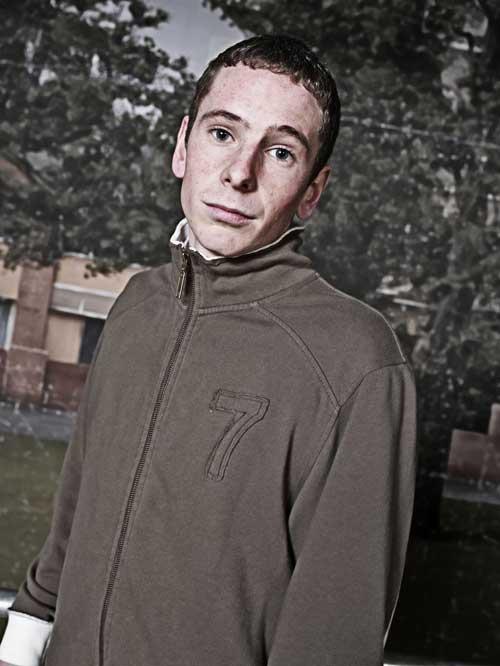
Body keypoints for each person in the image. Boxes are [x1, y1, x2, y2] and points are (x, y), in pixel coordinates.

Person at [0, 33, 417, 666]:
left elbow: (335, 629)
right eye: (223, 133)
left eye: (280, 151)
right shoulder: (137, 305)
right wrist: (27, 631)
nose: (239, 173)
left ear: (312, 190)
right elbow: (79, 498)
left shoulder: (358, 360)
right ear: (182, 146)